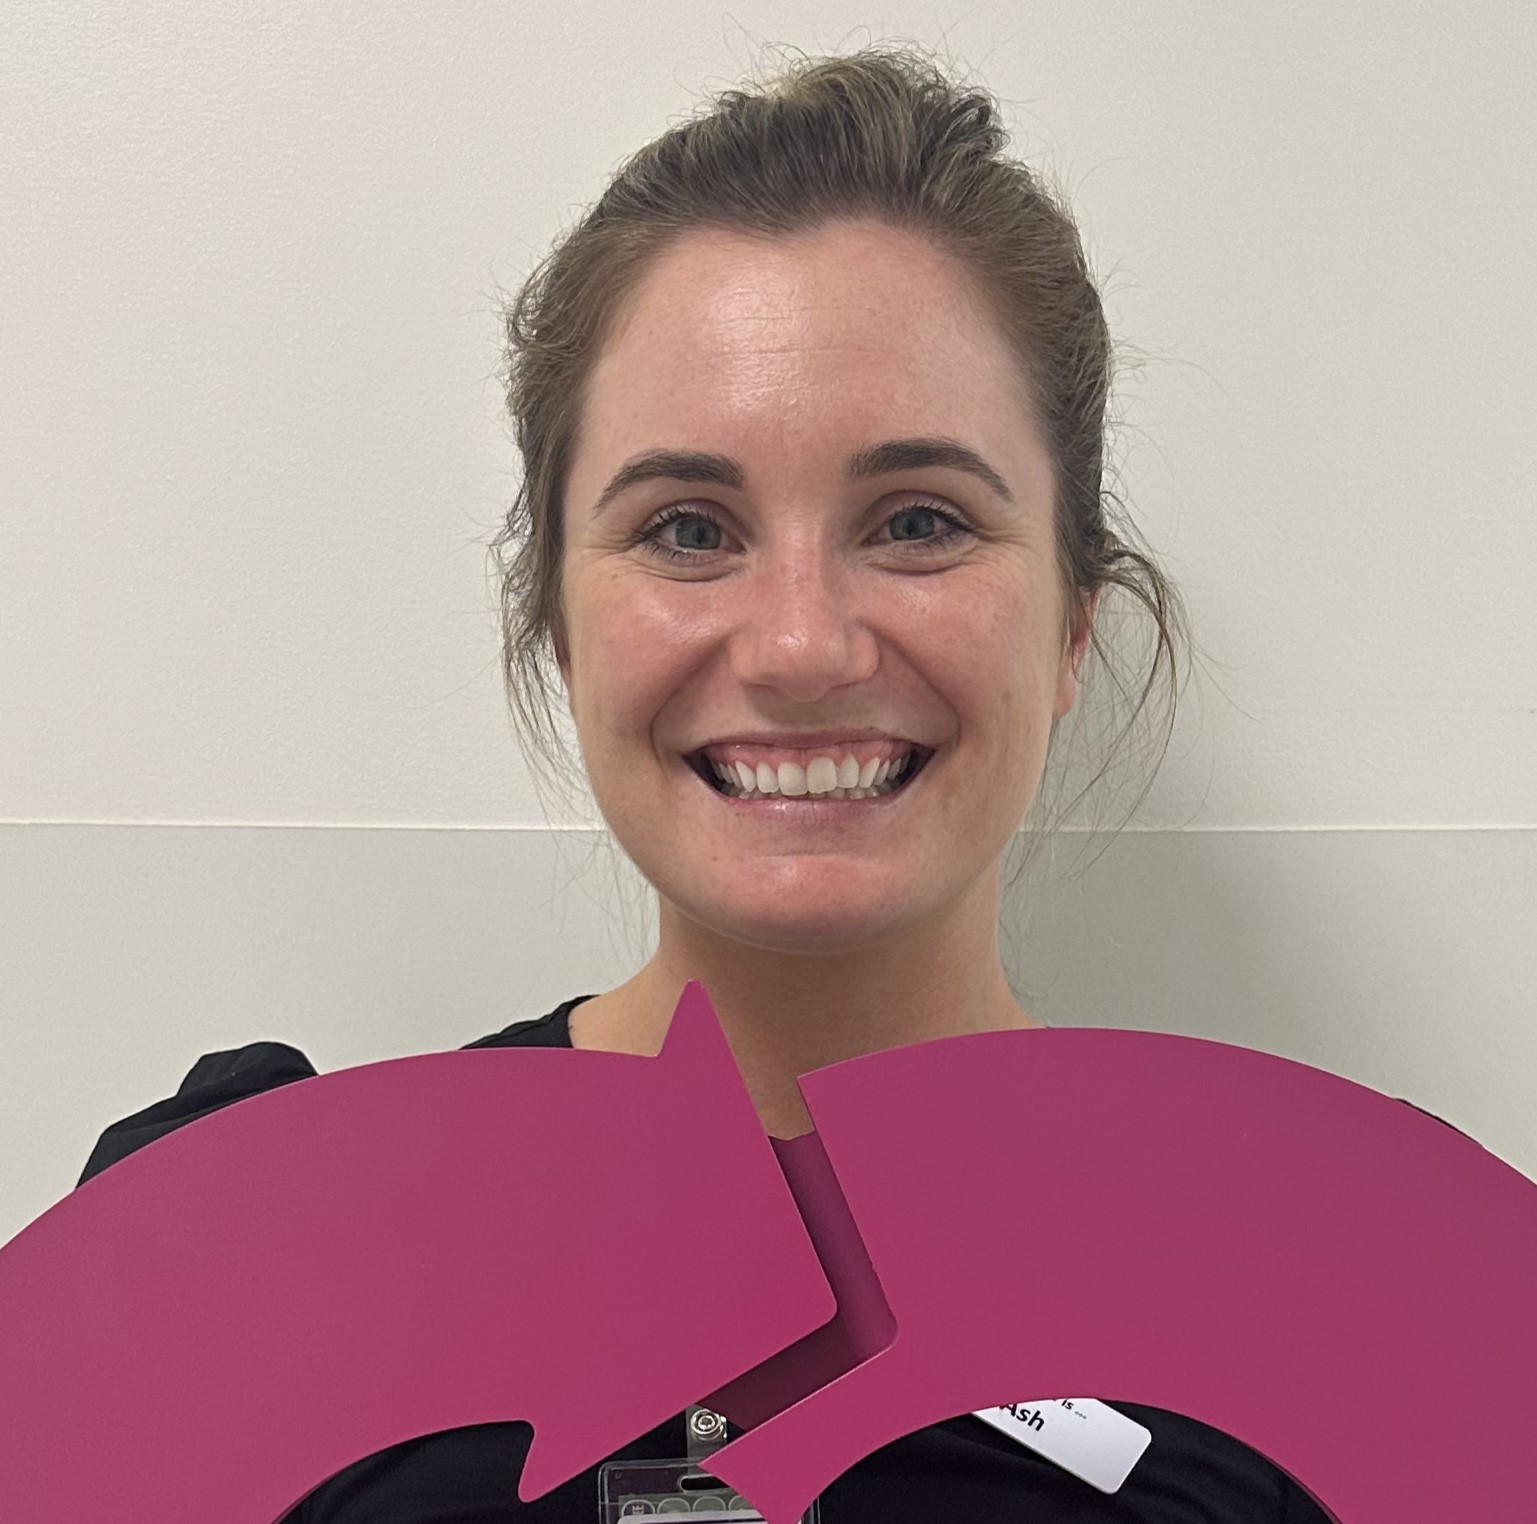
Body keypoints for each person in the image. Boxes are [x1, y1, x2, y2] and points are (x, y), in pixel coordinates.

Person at [78, 43, 1336, 1523]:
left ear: (1071, 621)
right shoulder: (237, 1245)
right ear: (557, 618)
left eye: (918, 519)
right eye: (686, 529)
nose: (801, 643)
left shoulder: (1361, 1300)